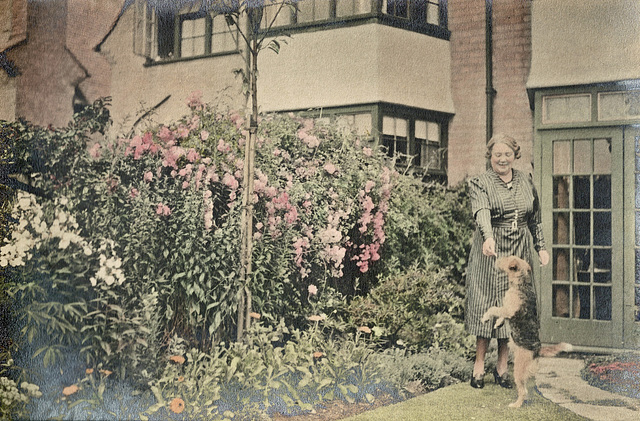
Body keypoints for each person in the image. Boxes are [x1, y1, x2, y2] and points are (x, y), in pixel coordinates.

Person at [465, 134, 550, 389]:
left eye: (507, 154)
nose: (502, 159)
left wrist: (541, 247)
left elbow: (535, 217)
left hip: (520, 250)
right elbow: (481, 212)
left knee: (514, 307)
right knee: (487, 302)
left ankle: (502, 367)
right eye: (497, 155)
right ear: (490, 156)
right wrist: (488, 237)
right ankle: (479, 365)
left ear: (515, 155)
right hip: (492, 251)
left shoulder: (526, 180)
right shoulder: (480, 183)